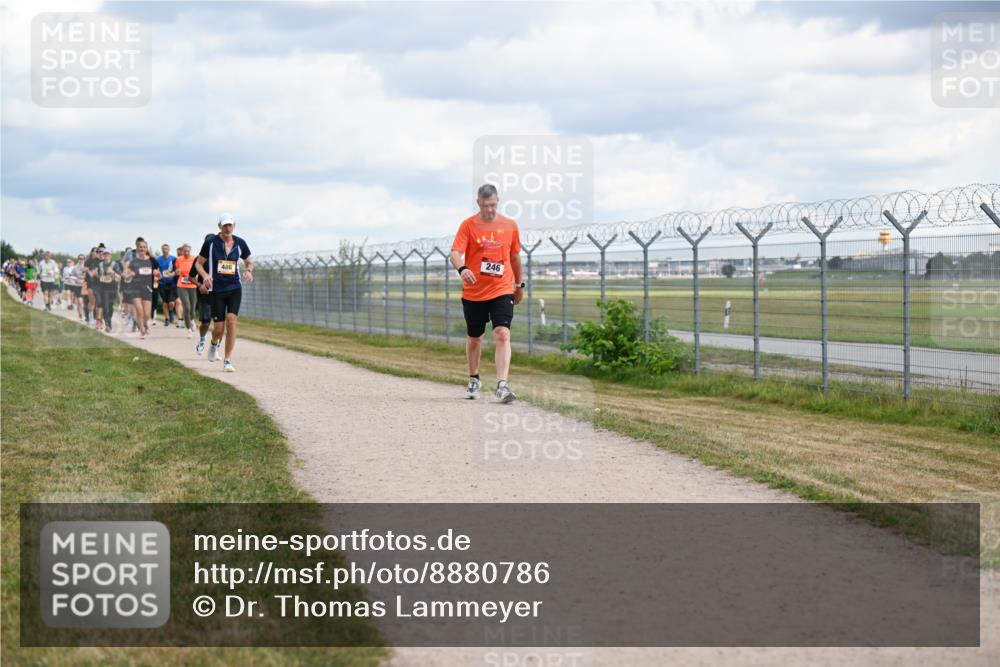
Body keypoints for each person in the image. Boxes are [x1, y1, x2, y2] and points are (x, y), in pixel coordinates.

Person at [450, 184, 524, 403]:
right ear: (478, 203)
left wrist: (519, 285)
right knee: (475, 337)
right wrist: (462, 269)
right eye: (485, 206)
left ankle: (502, 385)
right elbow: (455, 253)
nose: (489, 210)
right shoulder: (468, 225)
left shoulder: (510, 225)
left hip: (502, 288)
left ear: (498, 201)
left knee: (502, 333)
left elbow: (515, 257)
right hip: (474, 292)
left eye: (492, 205)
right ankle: (474, 378)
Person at [195, 214, 253, 372]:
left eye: (230, 225)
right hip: (217, 289)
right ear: (219, 226)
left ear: (234, 225)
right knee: (219, 328)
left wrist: (248, 271)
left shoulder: (240, 243)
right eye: (225, 225)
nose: (228, 228)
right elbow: (199, 264)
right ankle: (214, 344)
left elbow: (249, 261)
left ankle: (227, 359)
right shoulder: (211, 243)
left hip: (234, 287)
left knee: (231, 320)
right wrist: (206, 276)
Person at [123, 239, 160, 339]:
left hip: (147, 289)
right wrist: (129, 274)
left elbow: (158, 274)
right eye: (140, 247)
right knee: (139, 311)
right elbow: (125, 276)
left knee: (147, 314)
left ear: (146, 249)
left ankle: (144, 323)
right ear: (138, 248)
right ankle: (142, 330)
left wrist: (157, 275)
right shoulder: (133, 262)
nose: (142, 249)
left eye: (144, 247)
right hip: (135, 288)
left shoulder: (151, 261)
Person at [94, 248, 122, 331]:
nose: (106, 255)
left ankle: (108, 321)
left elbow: (120, 277)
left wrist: (112, 272)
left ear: (110, 255)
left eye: (107, 254)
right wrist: (98, 276)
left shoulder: (115, 265)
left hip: (113, 288)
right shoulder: (100, 265)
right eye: (104, 254)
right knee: (105, 306)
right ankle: (107, 324)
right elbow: (98, 276)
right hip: (103, 288)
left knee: (110, 306)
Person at [174, 243, 198, 337]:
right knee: (186, 307)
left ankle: (192, 320)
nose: (186, 253)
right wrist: (177, 272)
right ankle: (189, 330)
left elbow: (197, 271)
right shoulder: (179, 259)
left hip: (192, 286)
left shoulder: (194, 259)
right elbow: (177, 271)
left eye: (188, 251)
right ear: (182, 251)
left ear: (190, 251)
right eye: (184, 251)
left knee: (192, 309)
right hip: (182, 285)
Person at [155, 243, 178, 326]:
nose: (165, 250)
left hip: (172, 283)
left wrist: (174, 274)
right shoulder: (158, 259)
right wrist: (157, 277)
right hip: (162, 283)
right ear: (162, 250)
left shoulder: (173, 259)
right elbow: (156, 270)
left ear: (169, 250)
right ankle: (167, 319)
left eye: (166, 249)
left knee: (171, 303)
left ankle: (171, 311)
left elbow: (177, 270)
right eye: (164, 249)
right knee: (165, 302)